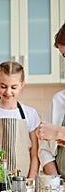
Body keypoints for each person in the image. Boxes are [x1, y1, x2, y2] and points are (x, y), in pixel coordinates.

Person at [37, 22, 65, 178]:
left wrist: (58, 132)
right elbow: (45, 149)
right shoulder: (59, 100)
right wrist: (58, 183)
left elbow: (53, 133)